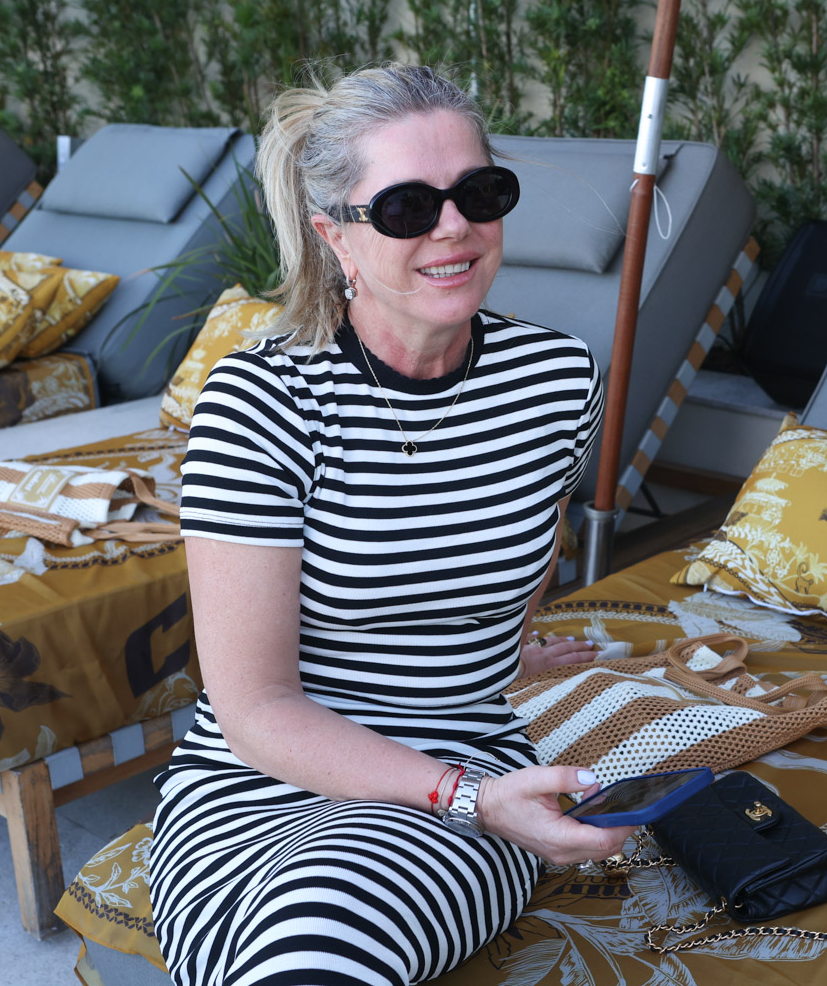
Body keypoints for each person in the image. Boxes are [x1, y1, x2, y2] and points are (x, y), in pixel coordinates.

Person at [149, 64, 632, 986]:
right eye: (408, 207)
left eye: (479, 194)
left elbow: (520, 555)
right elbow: (254, 708)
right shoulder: (262, 402)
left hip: (460, 762)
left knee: (323, 936)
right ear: (334, 235)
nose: (453, 228)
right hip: (264, 781)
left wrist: (500, 654)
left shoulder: (559, 380)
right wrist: (473, 798)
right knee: (294, 945)